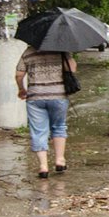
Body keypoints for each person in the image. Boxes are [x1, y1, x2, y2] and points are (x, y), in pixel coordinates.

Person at [15, 46, 75, 179]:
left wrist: (21, 89)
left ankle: (43, 166)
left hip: (35, 97)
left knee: (38, 131)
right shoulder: (61, 49)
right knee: (59, 126)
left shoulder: (29, 51)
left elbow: (19, 75)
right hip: (58, 96)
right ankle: (59, 160)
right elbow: (72, 69)